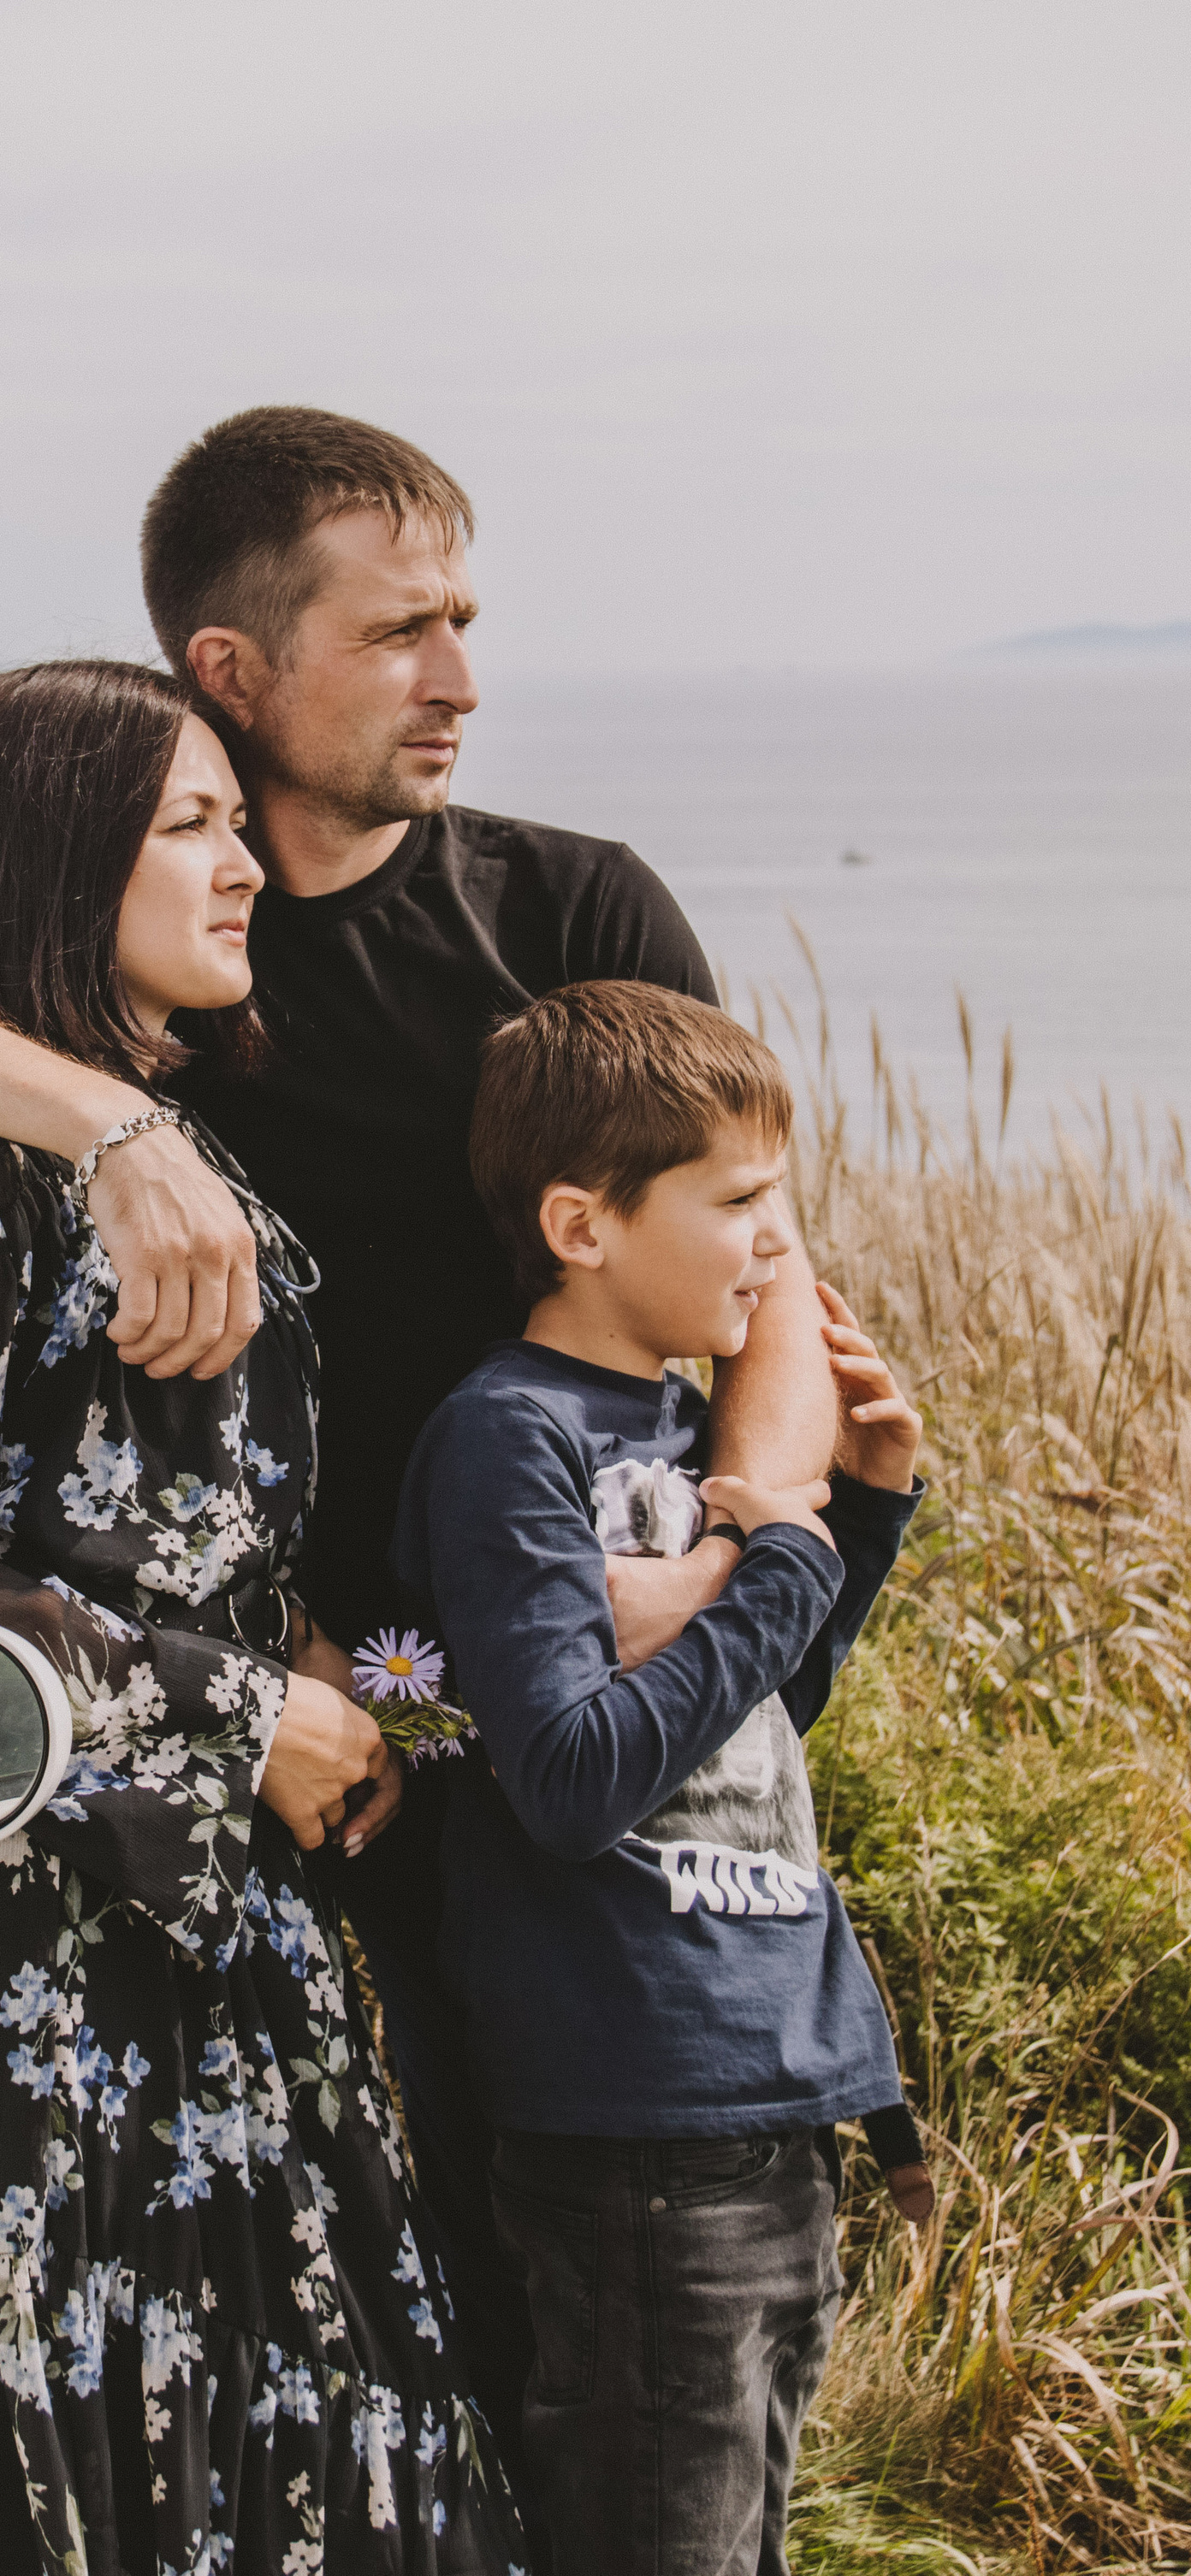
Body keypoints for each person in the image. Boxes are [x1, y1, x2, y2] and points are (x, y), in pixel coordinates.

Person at [0, 405, 840, 2457]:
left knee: (618, 2250)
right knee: (368, 2289)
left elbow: (770, 1261)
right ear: (231, 673)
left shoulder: (571, 911)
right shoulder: (144, 985)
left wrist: (748, 1536)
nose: (460, 680)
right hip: (311, 1730)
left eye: (464, 621)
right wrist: (123, 1129)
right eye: (403, 630)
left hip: (530, 1686)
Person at [0, 659, 527, 2574]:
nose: (244, 860)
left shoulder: (159, 1155)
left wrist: (335, 1678)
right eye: (189, 823)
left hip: (189, 1955)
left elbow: (165, 1546)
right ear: (48, 854)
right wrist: (233, 1709)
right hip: (6, 1987)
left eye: (231, 817)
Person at [389, 982, 924, 2576]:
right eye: (741, 1200)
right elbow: (564, 1777)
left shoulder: (694, 1436)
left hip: (770, 2094)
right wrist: (773, 1555)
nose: (779, 1240)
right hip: (633, 2109)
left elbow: (746, 1732)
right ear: (584, 1223)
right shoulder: (510, 1437)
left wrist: (859, 1523)